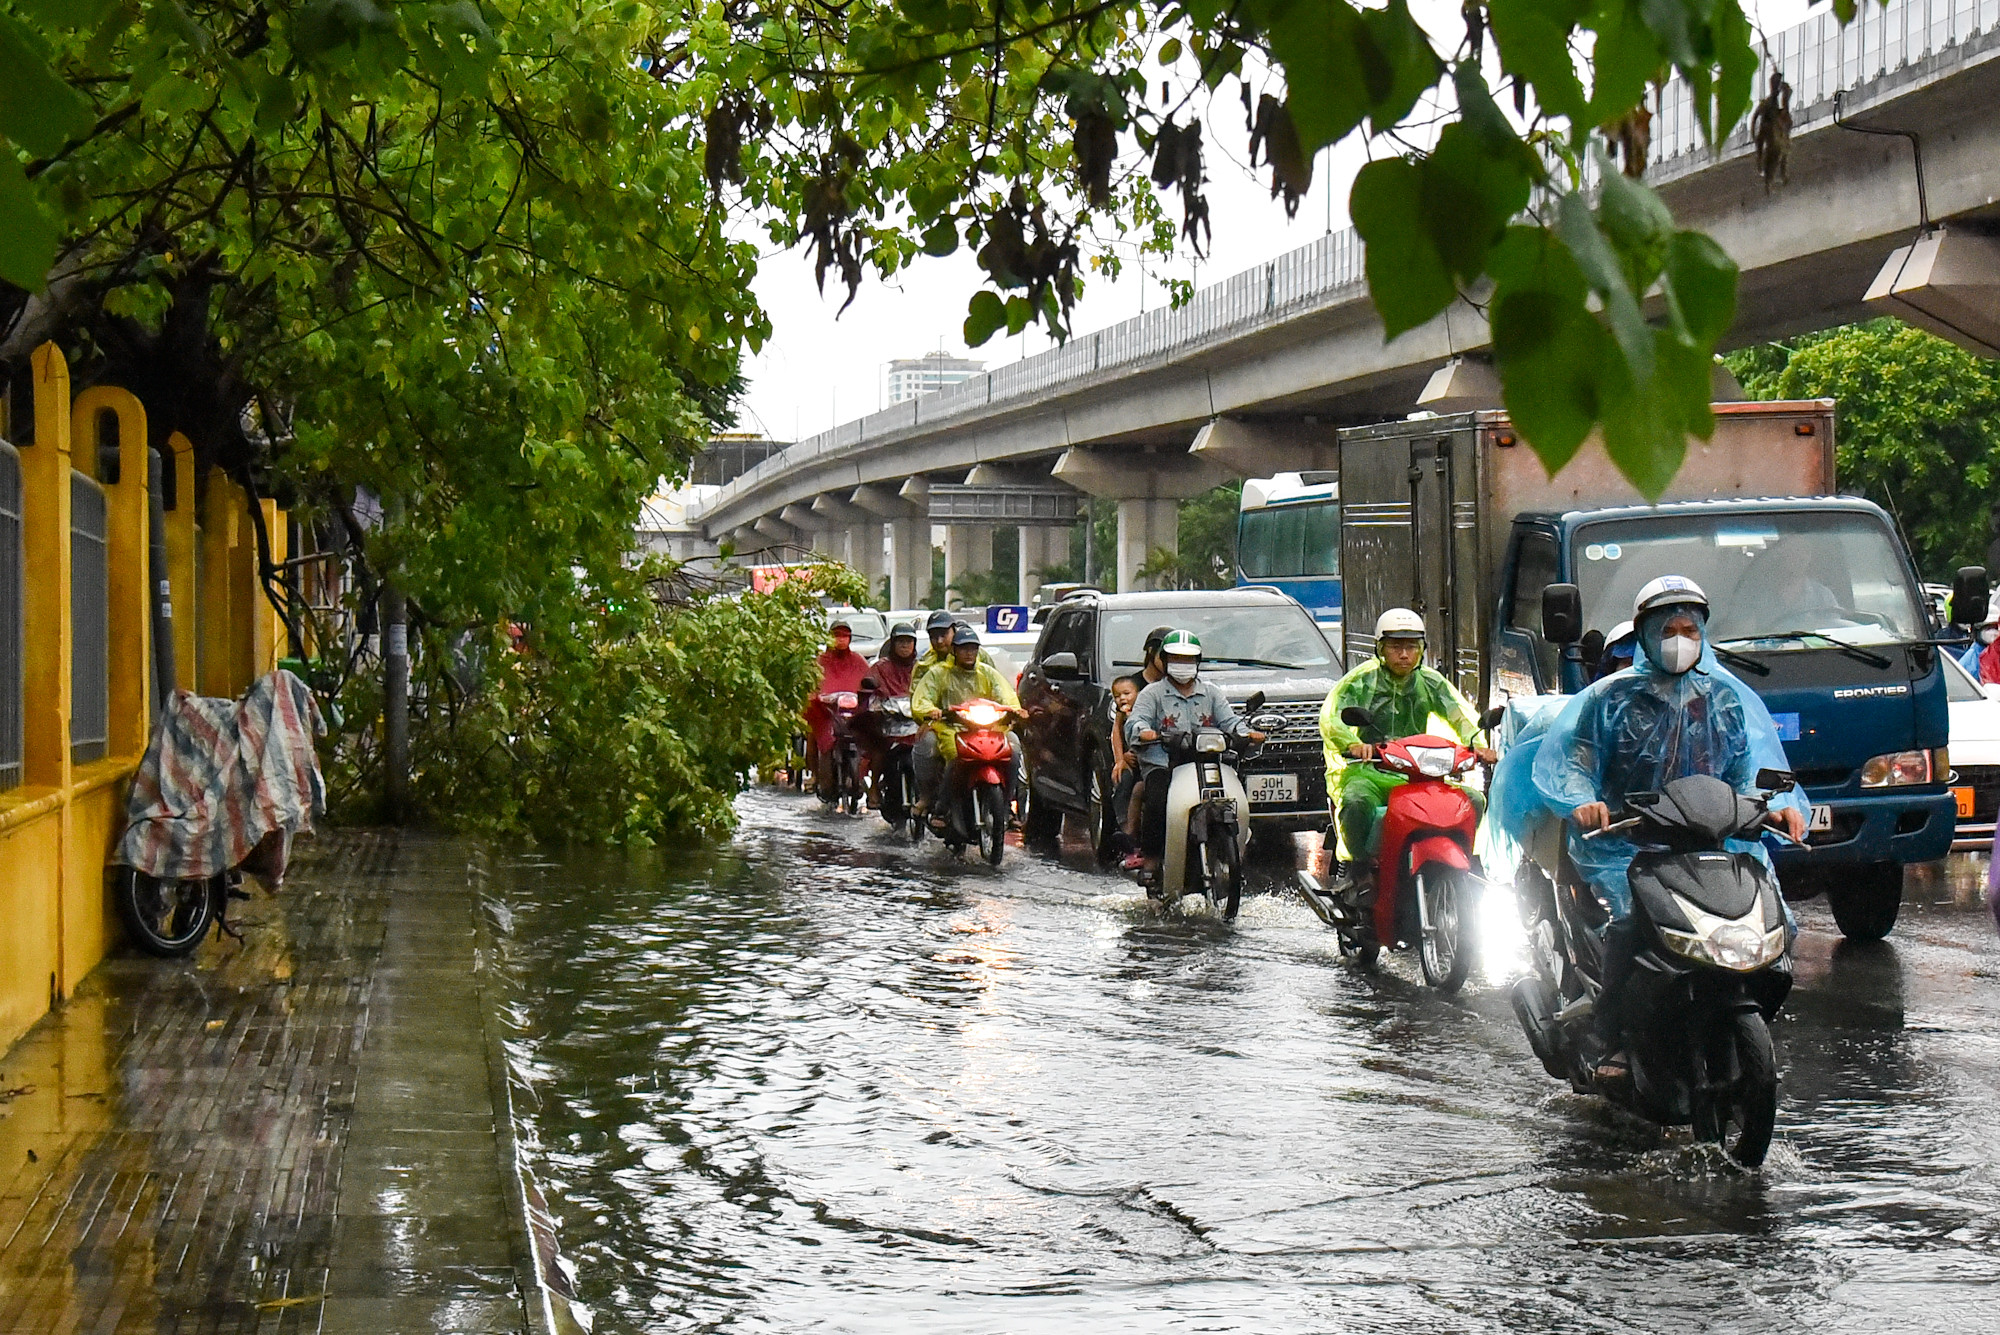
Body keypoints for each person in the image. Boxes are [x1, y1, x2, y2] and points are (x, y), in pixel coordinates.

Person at [1533, 575, 1810, 1082]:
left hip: (1710, 841)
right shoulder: (1610, 700)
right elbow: (1574, 763)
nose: (1681, 639)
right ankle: (1607, 1032)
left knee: (1778, 925)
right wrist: (1584, 803)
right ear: (1644, 636)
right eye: (1669, 629)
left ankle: (1739, 1023)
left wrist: (1776, 807)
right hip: (1626, 843)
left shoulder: (1724, 700)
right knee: (1627, 922)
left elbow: (1749, 768)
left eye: (1691, 628)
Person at [1319, 609, 1493, 886]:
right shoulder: (1361, 681)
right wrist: (1354, 745)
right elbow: (1332, 717)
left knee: (1472, 800)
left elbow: (1461, 714)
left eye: (1411, 646)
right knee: (1355, 803)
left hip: (1420, 775)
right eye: (1396, 646)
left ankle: (1466, 864)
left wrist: (1478, 746)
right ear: (1380, 649)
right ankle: (1358, 870)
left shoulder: (1430, 682)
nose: (1404, 654)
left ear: (1421, 650)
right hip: (1370, 772)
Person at [1126, 631, 1265, 877]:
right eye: (1176, 658)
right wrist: (1144, 731)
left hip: (1206, 764)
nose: (1183, 665)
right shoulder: (1152, 694)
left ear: (1198, 662)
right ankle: (1151, 860)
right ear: (1165, 661)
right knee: (1157, 800)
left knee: (1234, 798)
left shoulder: (1211, 693)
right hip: (1163, 765)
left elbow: (1230, 721)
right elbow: (1135, 723)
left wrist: (1247, 733)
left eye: (1188, 659)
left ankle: (1232, 854)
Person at [912, 623, 1023, 826]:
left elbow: (1005, 695)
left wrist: (1013, 710)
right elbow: (922, 698)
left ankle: (1008, 806)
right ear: (954, 650)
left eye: (973, 648)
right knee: (955, 756)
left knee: (1013, 751)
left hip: (988, 728)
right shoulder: (939, 673)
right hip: (951, 728)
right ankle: (941, 808)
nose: (969, 653)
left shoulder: (987, 673)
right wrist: (931, 711)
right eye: (964, 648)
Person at [805, 617, 872, 796]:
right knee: (815, 734)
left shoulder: (857, 660)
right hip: (827, 713)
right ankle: (817, 775)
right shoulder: (821, 660)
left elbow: (868, 679)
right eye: (837, 635)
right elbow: (812, 682)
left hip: (851, 712)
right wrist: (815, 696)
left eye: (845, 636)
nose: (841, 639)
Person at [1106, 674, 1144, 868]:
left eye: (1127, 694)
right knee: (1123, 780)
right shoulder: (1123, 714)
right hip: (1132, 762)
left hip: (1148, 761)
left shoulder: (1146, 709)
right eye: (1117, 696)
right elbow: (1116, 734)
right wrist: (1120, 760)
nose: (1122, 699)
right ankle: (1125, 829)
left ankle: (1135, 833)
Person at [913, 610, 996, 695]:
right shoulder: (924, 664)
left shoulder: (978, 655)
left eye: (943, 635)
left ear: (954, 631)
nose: (939, 641)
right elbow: (918, 698)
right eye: (933, 636)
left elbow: (996, 684)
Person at [870, 621, 922, 699]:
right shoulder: (880, 668)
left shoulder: (920, 668)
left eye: (909, 641)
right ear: (893, 643)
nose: (905, 646)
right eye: (901, 641)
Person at [1960, 611, 2000, 685]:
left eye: (1995, 628)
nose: (1994, 633)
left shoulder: (1996, 652)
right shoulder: (1971, 659)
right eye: (1988, 628)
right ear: (1977, 631)